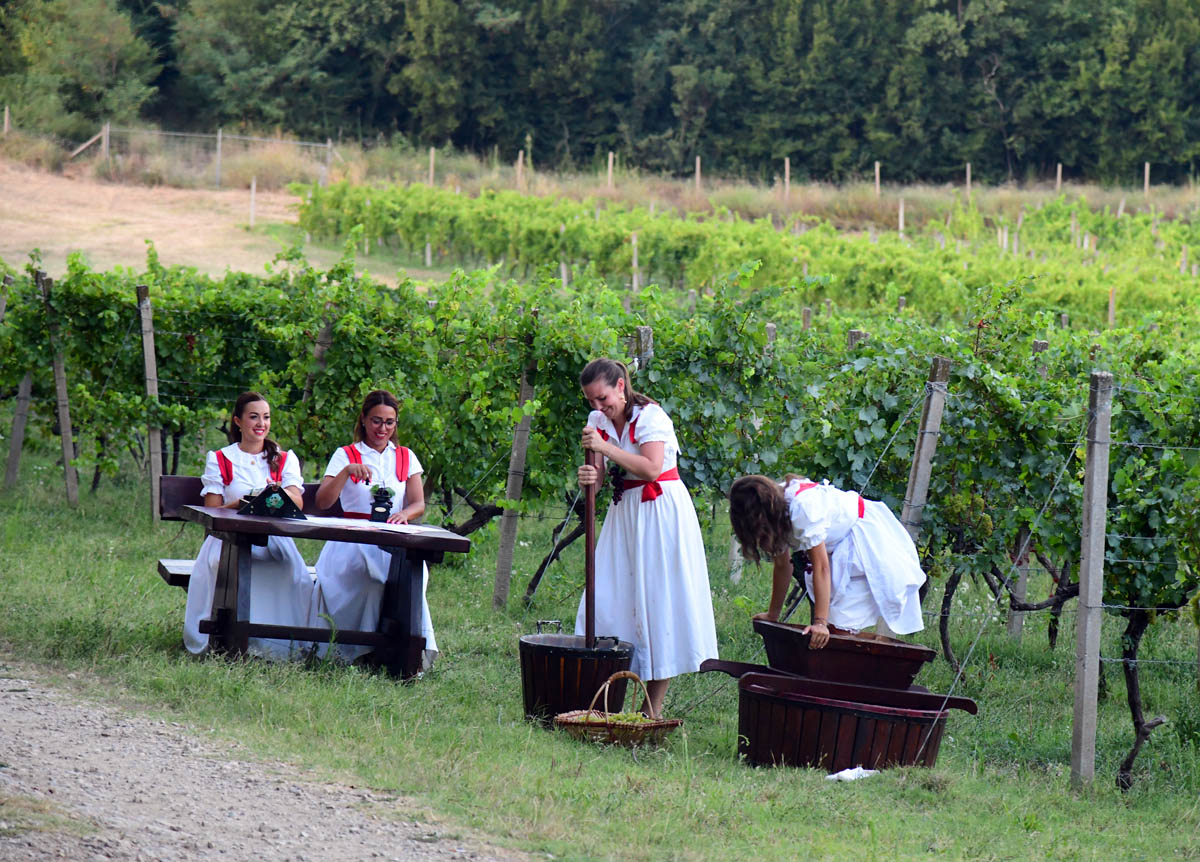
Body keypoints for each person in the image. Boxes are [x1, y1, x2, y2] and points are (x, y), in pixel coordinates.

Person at [576, 358, 718, 718]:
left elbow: (652, 467)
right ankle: (605, 699)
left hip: (659, 514)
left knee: (658, 604)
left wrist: (605, 449)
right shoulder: (598, 422)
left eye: (603, 398)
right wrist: (591, 476)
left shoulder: (651, 417)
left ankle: (649, 710)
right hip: (625, 514)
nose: (598, 406)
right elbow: (604, 473)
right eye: (591, 401)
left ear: (621, 386)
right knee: (611, 598)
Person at [184, 392, 315, 659]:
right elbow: (213, 508)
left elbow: (297, 500)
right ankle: (228, 638)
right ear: (238, 422)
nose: (261, 423)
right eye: (253, 417)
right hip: (228, 539)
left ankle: (277, 646)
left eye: (265, 417)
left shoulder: (282, 458)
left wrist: (274, 496)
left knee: (288, 569)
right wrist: (246, 501)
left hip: (274, 538)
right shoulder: (221, 458)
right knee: (230, 567)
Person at [728, 474, 927, 649]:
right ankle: (838, 671)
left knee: (838, 624)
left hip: (865, 539)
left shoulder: (802, 509)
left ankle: (855, 674)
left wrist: (820, 623)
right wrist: (773, 614)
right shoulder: (775, 509)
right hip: (838, 546)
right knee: (834, 625)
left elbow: (821, 567)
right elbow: (782, 565)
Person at [312, 389, 436, 666]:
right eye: (377, 421)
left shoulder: (405, 456)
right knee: (368, 578)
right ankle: (359, 650)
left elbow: (418, 503)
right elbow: (322, 501)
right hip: (352, 538)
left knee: (413, 577)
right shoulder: (346, 454)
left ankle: (407, 651)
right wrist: (346, 473)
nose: (383, 428)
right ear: (364, 420)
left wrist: (404, 513)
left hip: (393, 536)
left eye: (389, 422)